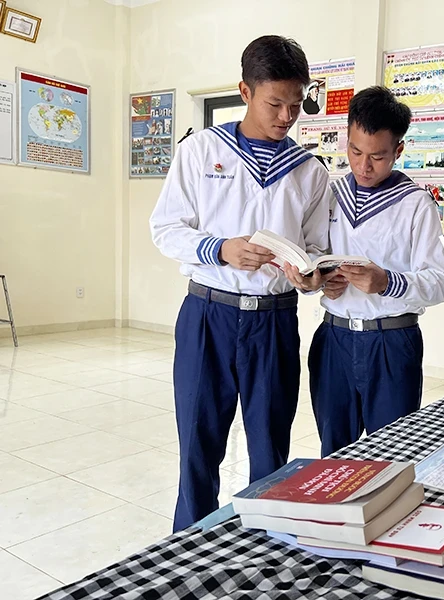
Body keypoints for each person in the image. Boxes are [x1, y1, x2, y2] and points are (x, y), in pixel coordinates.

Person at [150, 35, 334, 531]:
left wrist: (310, 272)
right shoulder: (201, 151)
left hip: (273, 323)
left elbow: (318, 246)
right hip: (207, 316)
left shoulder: (309, 171)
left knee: (270, 445)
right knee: (198, 439)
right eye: (275, 103)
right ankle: (187, 544)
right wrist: (221, 249)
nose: (286, 117)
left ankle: (266, 544)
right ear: (245, 92)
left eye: (295, 105)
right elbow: (165, 228)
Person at [286, 86, 444, 456]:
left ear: (399, 150)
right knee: (334, 453)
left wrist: (387, 282)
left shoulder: (416, 204)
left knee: (390, 458)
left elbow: (439, 283)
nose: (364, 166)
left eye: (377, 156)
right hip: (334, 340)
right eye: (355, 152)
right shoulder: (331, 194)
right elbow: (315, 255)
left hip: (391, 344)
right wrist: (317, 282)